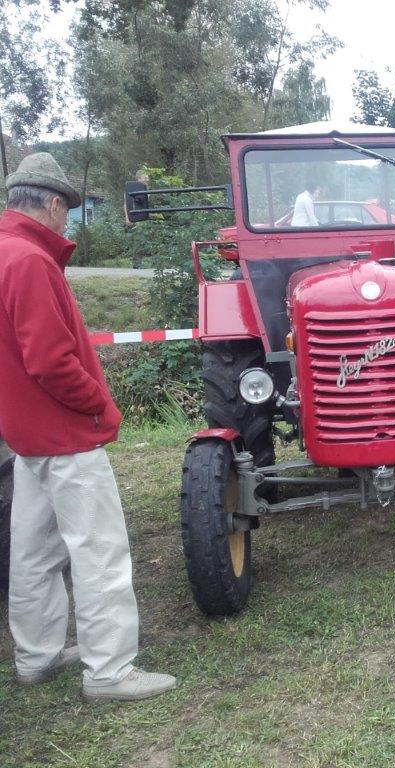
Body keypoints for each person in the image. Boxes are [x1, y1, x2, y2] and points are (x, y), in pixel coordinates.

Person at [0, 153, 176, 702]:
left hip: (25, 433)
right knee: (98, 550)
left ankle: (37, 654)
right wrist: (100, 406)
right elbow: (51, 360)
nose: (66, 222)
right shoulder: (30, 260)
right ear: (52, 205)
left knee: (32, 552)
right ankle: (109, 671)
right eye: (66, 212)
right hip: (65, 433)